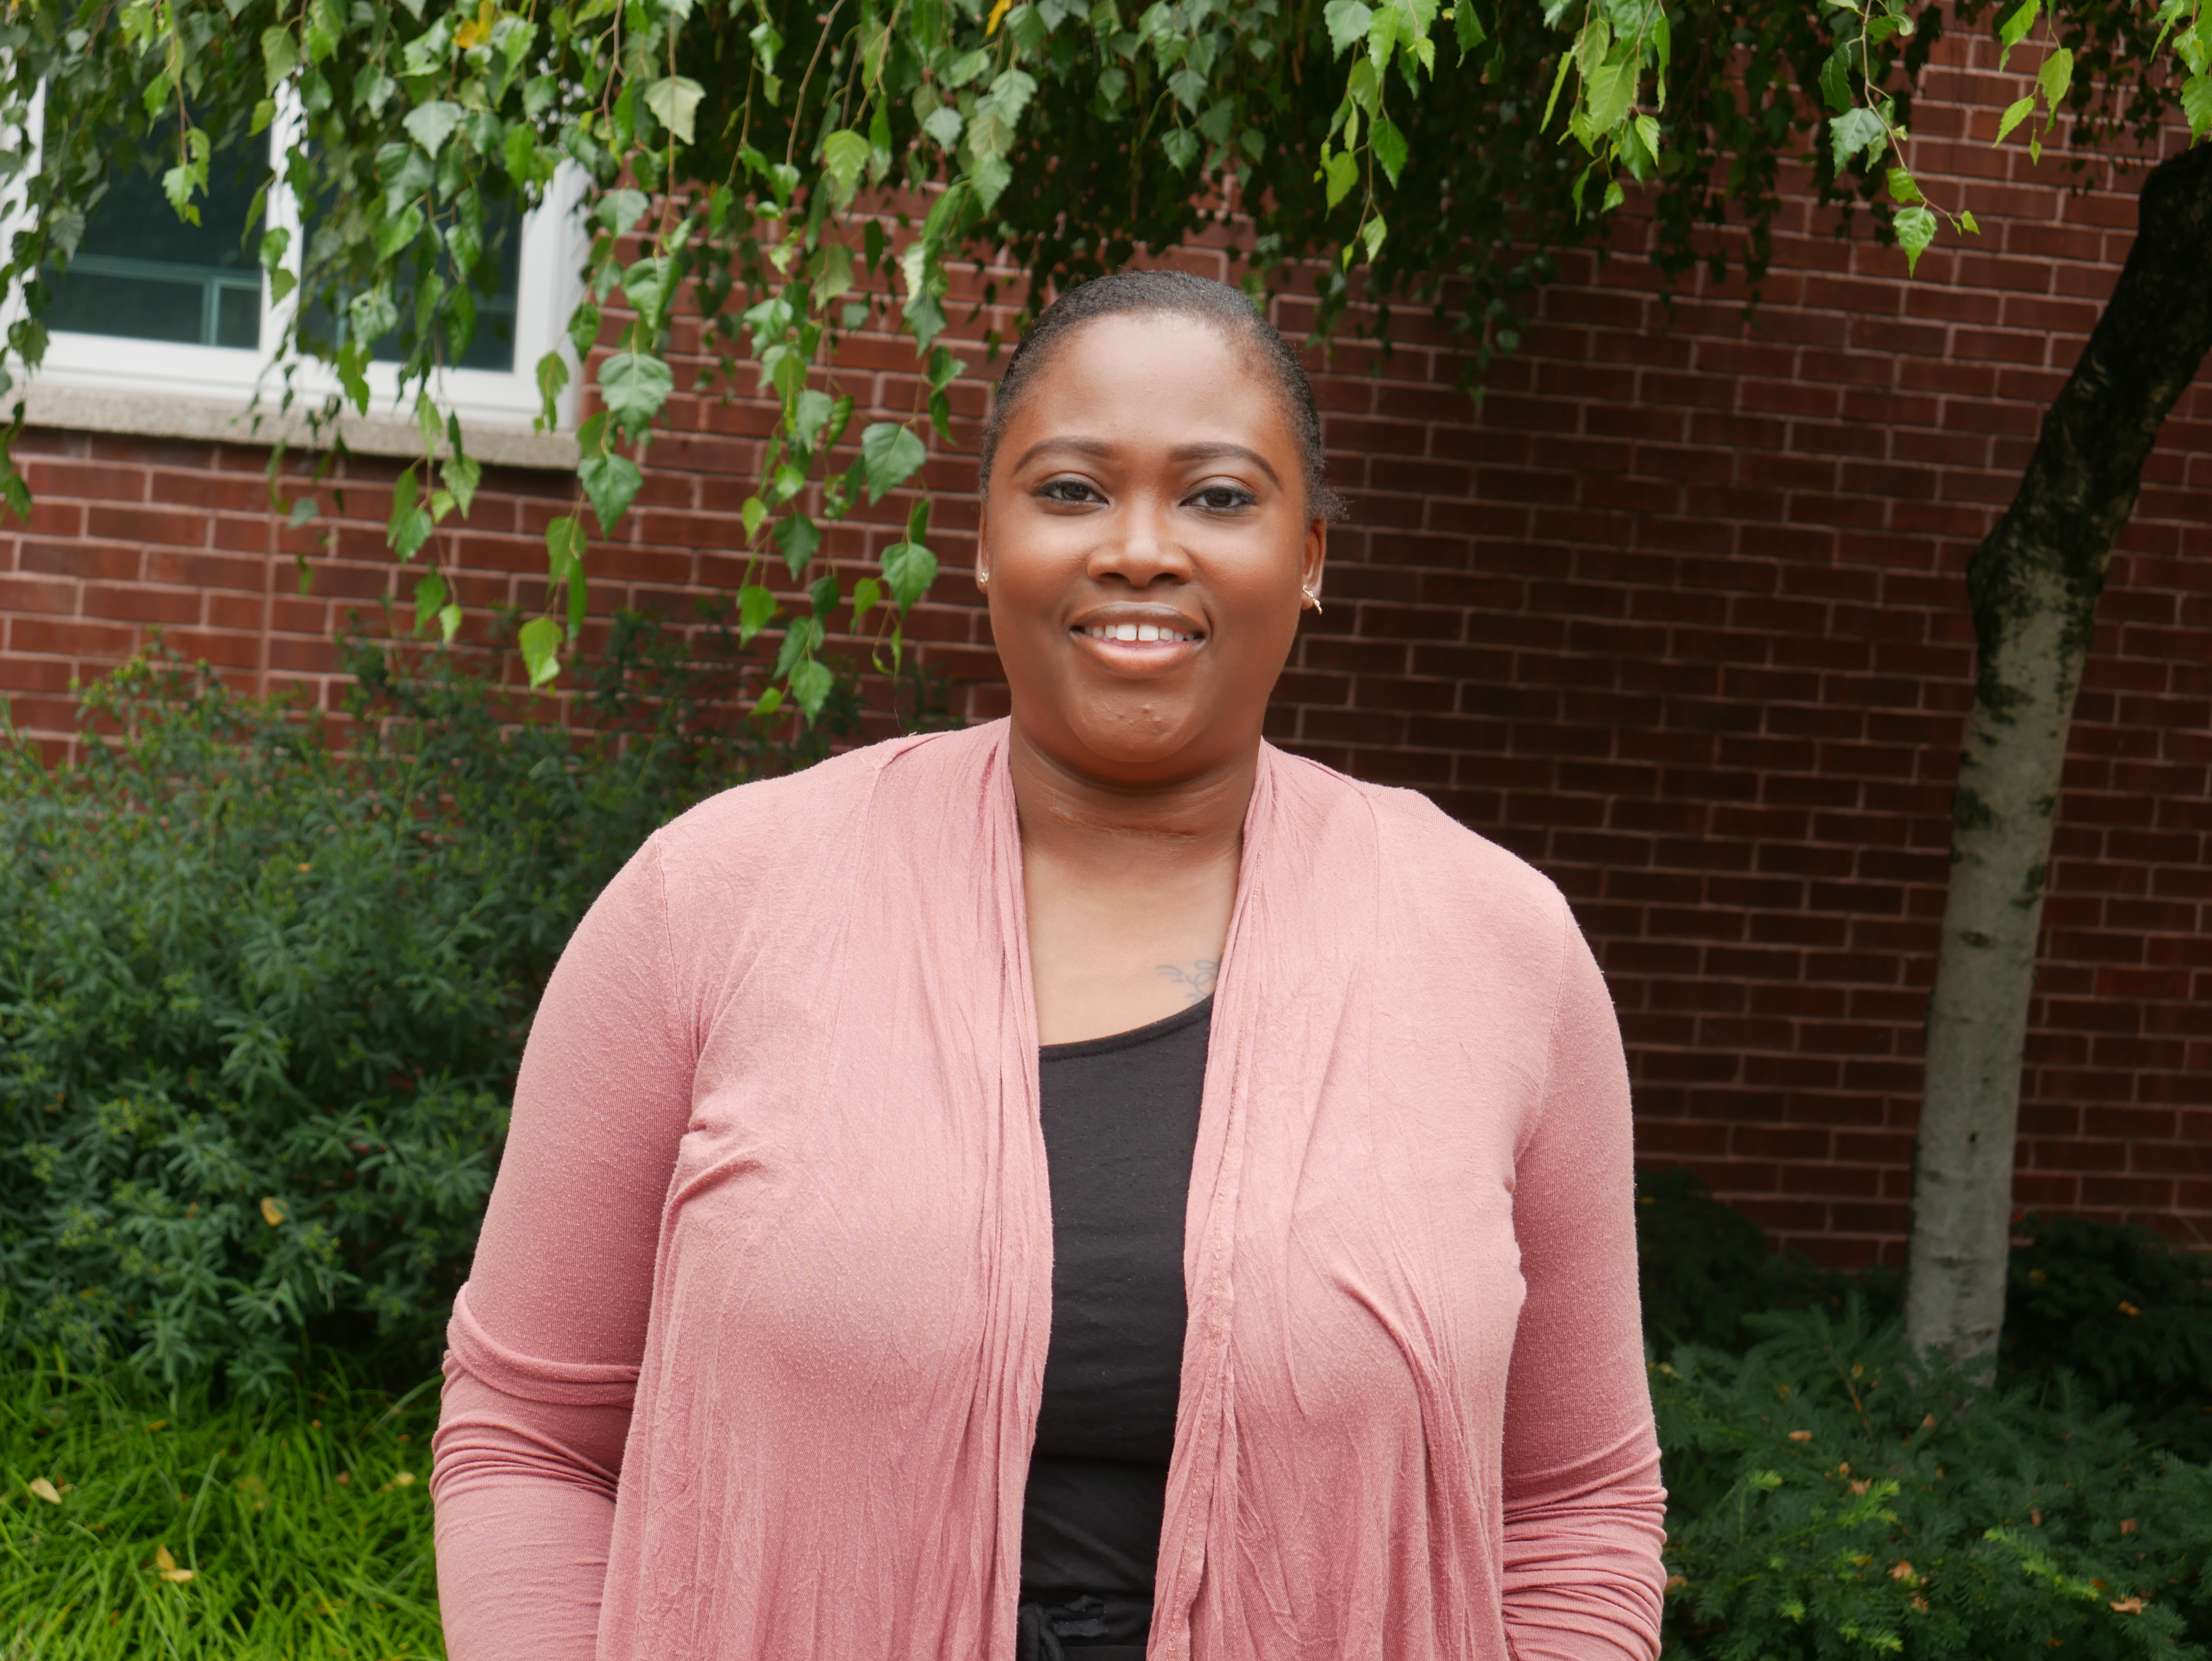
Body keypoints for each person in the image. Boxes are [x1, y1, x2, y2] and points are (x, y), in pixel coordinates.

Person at [430, 269, 1666, 1661]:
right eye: (1071, 490)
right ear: (983, 540)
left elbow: (1575, 1509)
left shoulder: (1497, 950)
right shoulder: (717, 901)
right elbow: (529, 1440)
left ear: (1310, 554)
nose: (1140, 547)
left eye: (1218, 496)